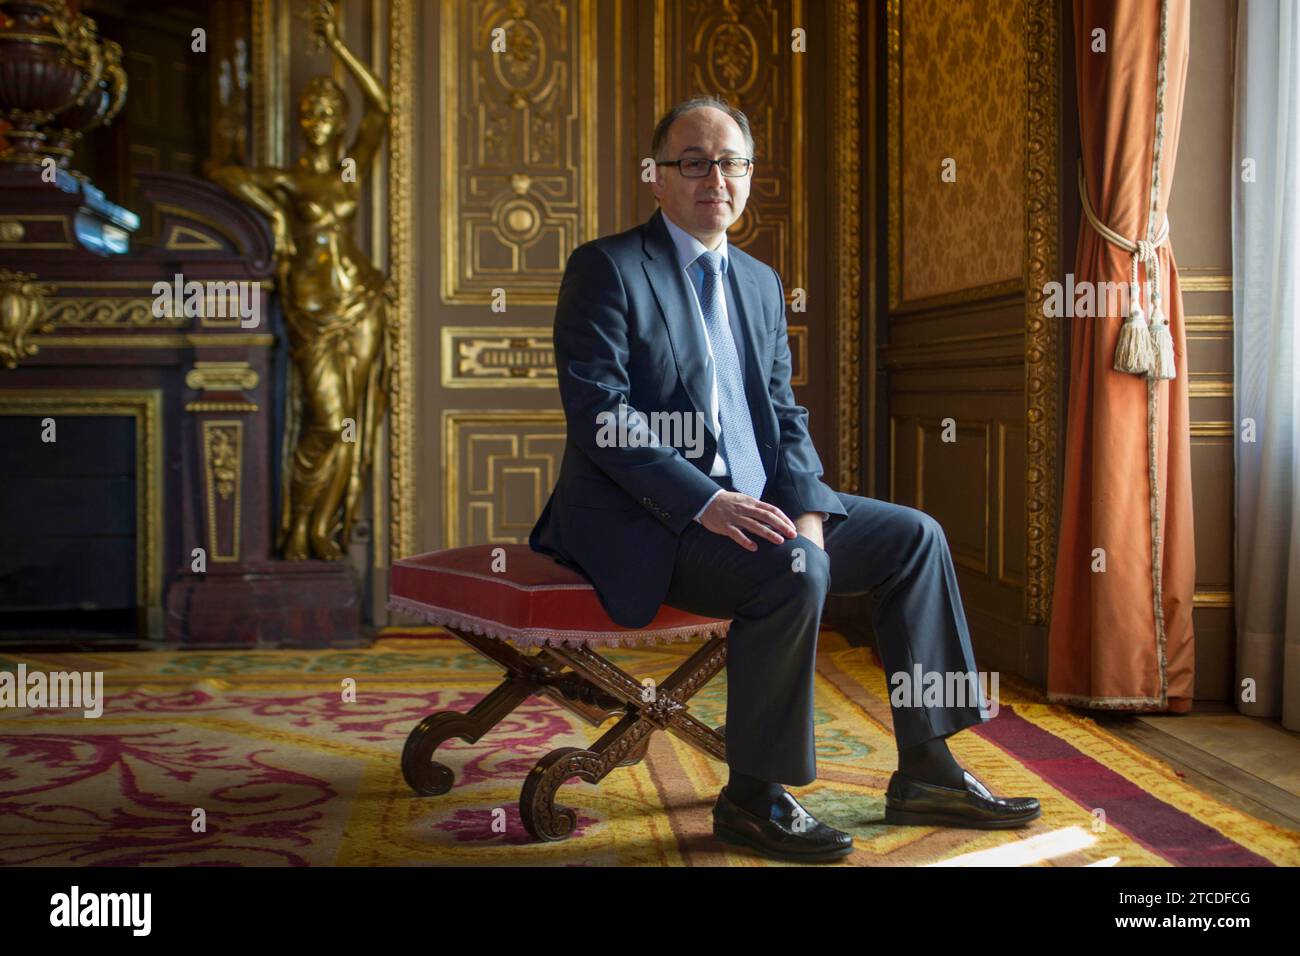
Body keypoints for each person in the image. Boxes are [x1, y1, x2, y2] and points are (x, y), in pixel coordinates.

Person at [529, 95, 1040, 864]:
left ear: (749, 175)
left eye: (731, 162)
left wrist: (805, 510)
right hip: (648, 518)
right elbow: (602, 416)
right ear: (656, 178)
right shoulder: (606, 268)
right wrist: (705, 502)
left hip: (757, 507)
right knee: (791, 571)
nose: (716, 178)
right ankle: (753, 799)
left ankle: (929, 767)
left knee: (915, 538)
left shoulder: (760, 283)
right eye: (693, 162)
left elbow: (781, 413)